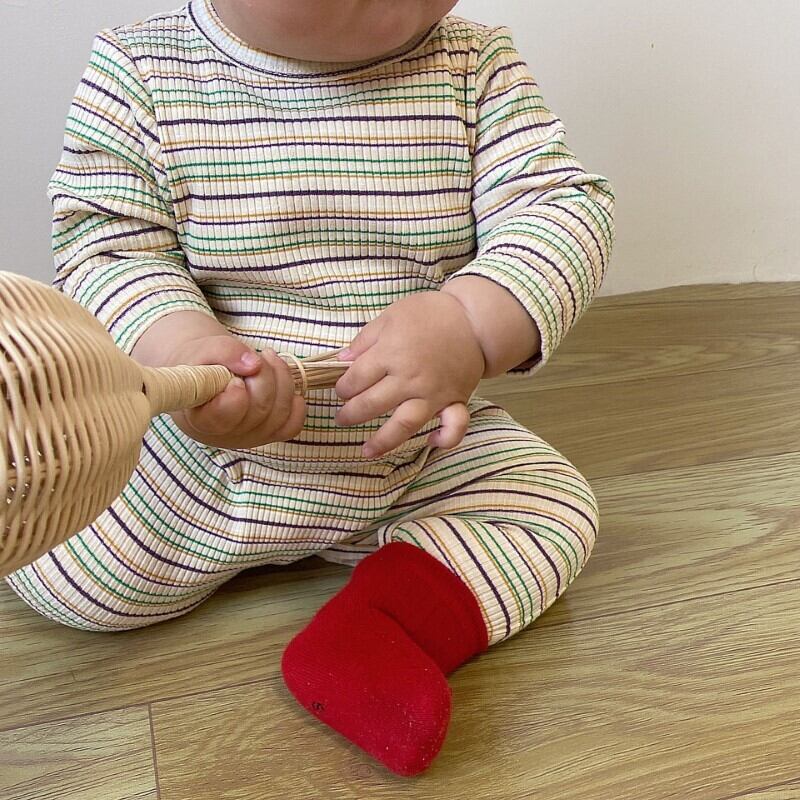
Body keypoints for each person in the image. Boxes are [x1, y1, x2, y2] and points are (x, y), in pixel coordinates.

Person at [7, 0, 614, 776]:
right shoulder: (140, 72)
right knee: (63, 573)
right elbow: (110, 251)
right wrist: (186, 350)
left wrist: (470, 319)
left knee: (551, 509)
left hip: (404, 454)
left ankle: (381, 625)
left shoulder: (475, 66)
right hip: (198, 460)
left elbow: (560, 210)